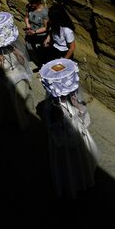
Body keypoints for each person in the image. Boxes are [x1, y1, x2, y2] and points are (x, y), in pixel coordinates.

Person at [39, 58, 98, 198]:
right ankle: (72, 184)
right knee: (69, 164)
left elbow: (83, 114)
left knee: (81, 161)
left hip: (78, 134)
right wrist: (59, 119)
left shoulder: (73, 98)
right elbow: (53, 130)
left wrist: (77, 105)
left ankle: (84, 178)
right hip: (64, 142)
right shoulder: (50, 108)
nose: (66, 95)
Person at [24, 0, 49, 66]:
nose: (30, 4)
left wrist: (35, 32)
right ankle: (39, 63)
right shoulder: (29, 7)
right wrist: (28, 25)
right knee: (33, 49)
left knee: (42, 53)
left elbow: (46, 27)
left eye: (32, 3)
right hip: (31, 34)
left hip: (40, 36)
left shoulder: (44, 12)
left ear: (38, 2)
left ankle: (43, 66)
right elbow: (26, 17)